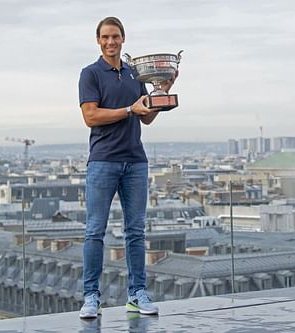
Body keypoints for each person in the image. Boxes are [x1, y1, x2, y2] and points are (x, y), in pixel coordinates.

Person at [78, 16, 176, 319]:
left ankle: (137, 294)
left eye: (116, 37)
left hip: (135, 160)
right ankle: (91, 297)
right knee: (95, 231)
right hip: (103, 160)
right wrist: (128, 110)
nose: (111, 42)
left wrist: (161, 93)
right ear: (98, 41)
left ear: (123, 39)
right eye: (105, 37)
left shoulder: (136, 74)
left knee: (136, 232)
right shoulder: (90, 74)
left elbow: (145, 117)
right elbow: (90, 117)